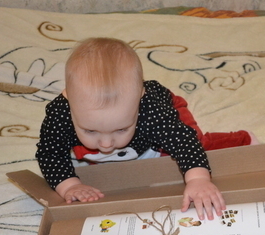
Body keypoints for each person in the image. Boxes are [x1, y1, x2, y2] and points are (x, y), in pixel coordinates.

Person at [36, 37, 253, 220]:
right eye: (90, 131)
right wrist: (69, 186)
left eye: (121, 129)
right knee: (84, 155)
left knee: (194, 144)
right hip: (133, 129)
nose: (106, 144)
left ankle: (243, 139)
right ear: (68, 98)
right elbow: (49, 152)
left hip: (165, 112)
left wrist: (198, 180)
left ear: (140, 99)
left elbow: (184, 142)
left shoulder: (151, 110)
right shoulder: (60, 114)